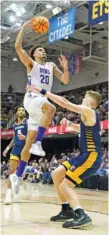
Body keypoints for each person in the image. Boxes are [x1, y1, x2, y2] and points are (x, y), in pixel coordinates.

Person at [27, 85, 102, 229]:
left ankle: (81, 215)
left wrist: (43, 91)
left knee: (65, 184)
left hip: (90, 156)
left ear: (92, 102)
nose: (83, 99)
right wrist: (69, 124)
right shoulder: (88, 116)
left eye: (86, 98)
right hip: (83, 155)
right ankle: (66, 210)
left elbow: (65, 103)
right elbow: (80, 129)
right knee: (56, 174)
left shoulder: (89, 110)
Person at [9, 19, 69, 194]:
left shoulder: (51, 66)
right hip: (32, 98)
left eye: (43, 50)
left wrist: (65, 68)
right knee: (51, 108)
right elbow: (18, 48)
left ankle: (18, 178)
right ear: (34, 54)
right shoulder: (31, 64)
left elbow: (65, 81)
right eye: (40, 50)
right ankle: (39, 143)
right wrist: (23, 28)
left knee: (27, 146)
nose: (43, 51)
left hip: (39, 105)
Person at [3, 106, 27, 204]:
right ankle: (8, 195)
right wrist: (7, 148)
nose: (21, 111)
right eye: (19, 110)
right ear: (16, 113)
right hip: (16, 148)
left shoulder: (27, 122)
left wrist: (25, 137)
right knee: (11, 170)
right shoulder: (14, 125)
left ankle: (16, 191)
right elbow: (14, 138)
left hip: (25, 149)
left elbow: (33, 135)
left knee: (19, 174)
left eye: (23, 110)